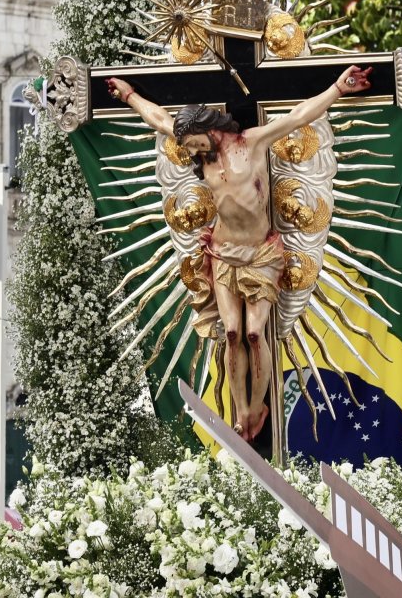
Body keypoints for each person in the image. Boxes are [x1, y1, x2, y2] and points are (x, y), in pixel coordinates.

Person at [105, 65, 373, 443]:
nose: (194, 153)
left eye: (196, 144)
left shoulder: (252, 142)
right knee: (230, 333)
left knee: (252, 332)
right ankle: (240, 410)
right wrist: (130, 95)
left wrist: (338, 90)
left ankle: (257, 405)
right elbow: (160, 119)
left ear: (207, 127)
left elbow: (299, 115)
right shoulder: (200, 152)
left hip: (262, 254)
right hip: (222, 253)